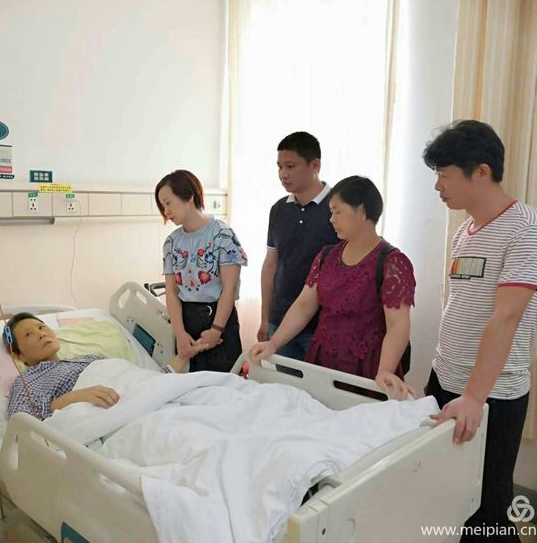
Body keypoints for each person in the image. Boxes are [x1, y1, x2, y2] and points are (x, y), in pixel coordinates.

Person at [422, 120, 537, 541]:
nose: (438, 186)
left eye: (445, 175)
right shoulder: (465, 231)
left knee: (486, 510)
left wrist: (475, 397)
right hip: (445, 380)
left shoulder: (528, 228)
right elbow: (463, 305)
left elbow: (506, 317)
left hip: (490, 395)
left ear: (481, 171)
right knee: (442, 495)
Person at [250, 176, 416, 399]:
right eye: (330, 212)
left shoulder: (392, 262)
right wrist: (274, 342)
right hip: (323, 360)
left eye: (337, 212)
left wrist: (385, 370)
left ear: (362, 211)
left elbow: (398, 325)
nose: (331, 219)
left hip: (367, 367)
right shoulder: (327, 256)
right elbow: (303, 306)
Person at [5, 313, 191, 419]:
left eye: (41, 327)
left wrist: (183, 355)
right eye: (28, 334)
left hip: (148, 401)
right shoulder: (28, 381)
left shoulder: (89, 358)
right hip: (115, 416)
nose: (41, 334)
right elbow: (19, 420)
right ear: (18, 355)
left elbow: (144, 382)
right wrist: (74, 397)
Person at [258, 132, 338, 365]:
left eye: (290, 166)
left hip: (323, 325)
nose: (283, 174)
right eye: (280, 167)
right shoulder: (279, 209)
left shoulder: (338, 207)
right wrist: (265, 318)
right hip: (281, 322)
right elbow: (270, 265)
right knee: (286, 386)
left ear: (315, 165)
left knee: (321, 386)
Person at [156, 169, 247, 372]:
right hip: (187, 323)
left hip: (219, 319)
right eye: (162, 206)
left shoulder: (222, 235)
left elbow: (229, 288)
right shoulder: (171, 243)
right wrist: (180, 334)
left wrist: (216, 329)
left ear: (189, 197)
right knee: (191, 385)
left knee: (225, 382)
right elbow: (171, 291)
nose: (166, 211)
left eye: (168, 203)